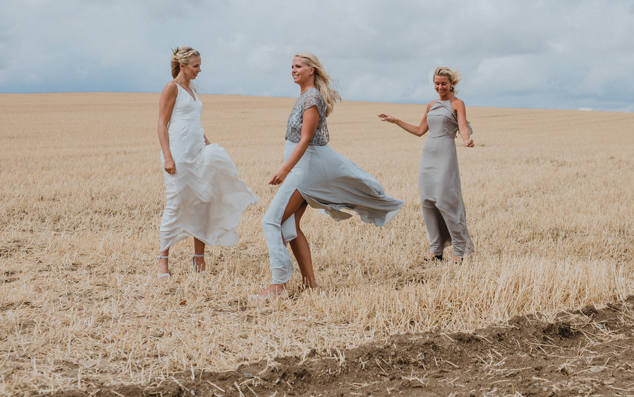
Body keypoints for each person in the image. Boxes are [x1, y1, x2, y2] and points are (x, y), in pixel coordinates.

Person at [258, 53, 404, 298]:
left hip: (303, 172)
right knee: (289, 225)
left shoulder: (312, 98)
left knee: (271, 221)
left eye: (298, 66)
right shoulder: (305, 96)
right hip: (301, 168)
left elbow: (306, 139)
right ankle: (310, 285)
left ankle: (277, 285)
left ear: (311, 70)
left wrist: (284, 170)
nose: (293, 70)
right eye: (292, 66)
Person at [156, 47, 257, 278]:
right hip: (178, 155)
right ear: (182, 66)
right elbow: (162, 124)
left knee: (202, 201)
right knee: (175, 203)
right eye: (195, 66)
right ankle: (163, 259)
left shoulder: (192, 91)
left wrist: (208, 144)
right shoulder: (172, 88)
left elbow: (195, 124)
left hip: (198, 152)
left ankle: (199, 258)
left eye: (200, 65)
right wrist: (168, 156)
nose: (200, 70)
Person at [378, 66, 475, 264]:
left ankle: (459, 250)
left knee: (446, 202)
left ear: (451, 84)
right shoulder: (431, 105)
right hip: (428, 155)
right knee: (428, 203)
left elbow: (463, 127)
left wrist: (466, 139)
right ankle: (435, 250)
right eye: (437, 84)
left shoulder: (457, 103)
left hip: (446, 154)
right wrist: (396, 120)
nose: (440, 87)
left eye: (444, 84)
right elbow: (420, 130)